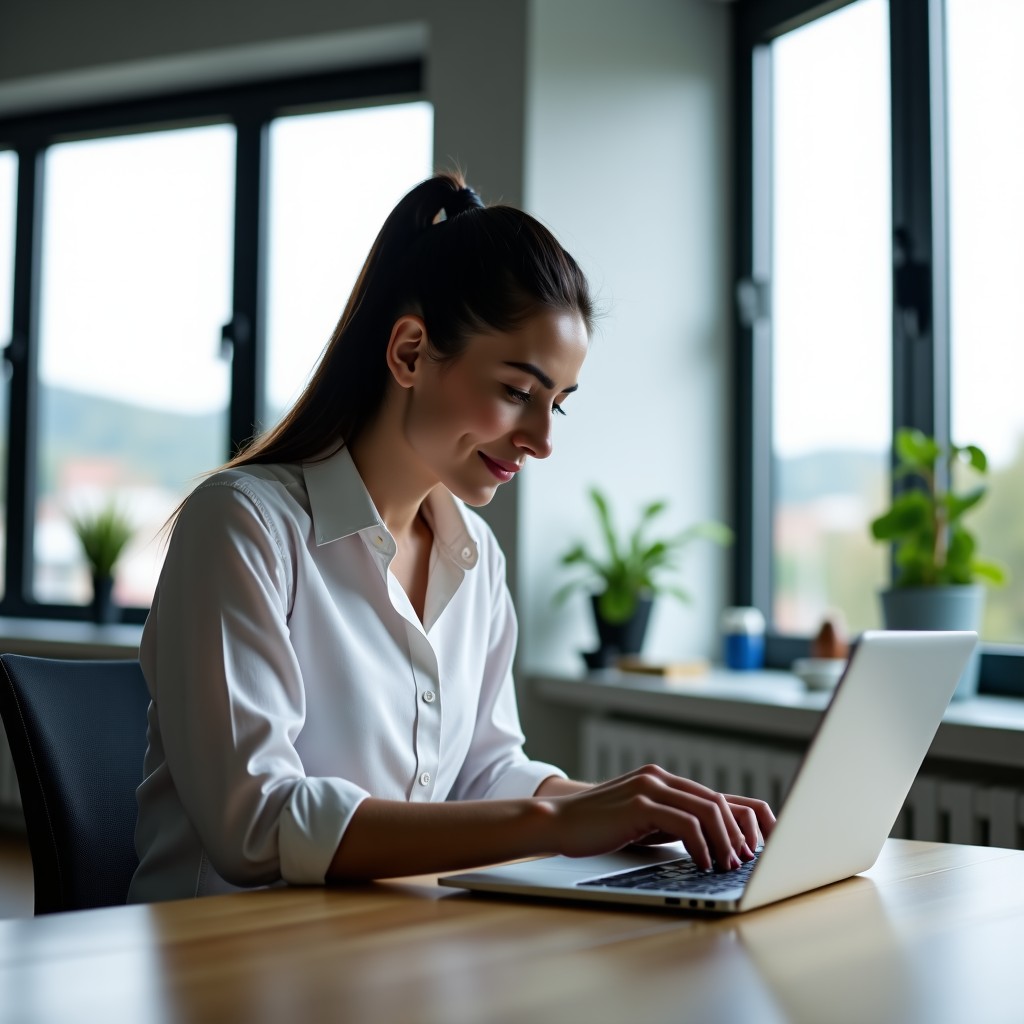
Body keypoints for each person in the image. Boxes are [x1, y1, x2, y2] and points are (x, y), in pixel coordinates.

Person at [128, 171, 775, 903]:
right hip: (227, 953)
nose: (542, 441)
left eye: (557, 405)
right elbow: (256, 824)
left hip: (387, 943)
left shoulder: (475, 557)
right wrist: (557, 823)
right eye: (517, 392)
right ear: (409, 353)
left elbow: (486, 773)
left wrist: (646, 811)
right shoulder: (244, 525)